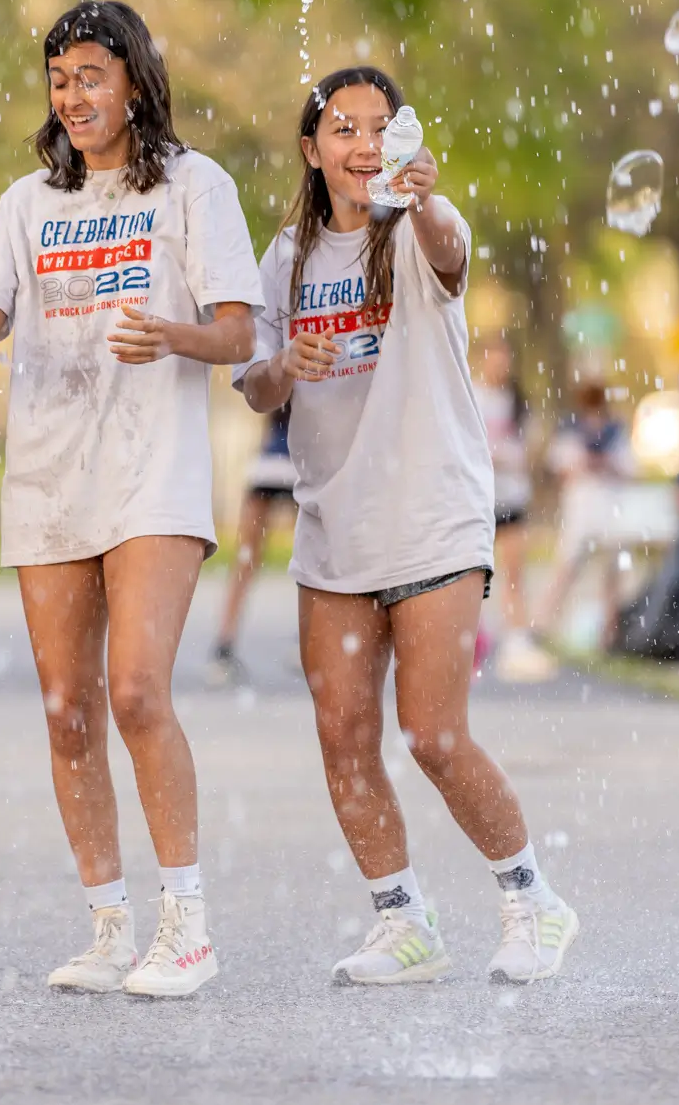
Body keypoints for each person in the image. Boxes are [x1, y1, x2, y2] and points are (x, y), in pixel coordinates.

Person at [0, 0, 262, 999]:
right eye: (58, 78)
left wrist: (171, 333)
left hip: (151, 471)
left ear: (134, 82)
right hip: (47, 471)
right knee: (67, 708)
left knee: (133, 694)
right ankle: (109, 925)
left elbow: (240, 331)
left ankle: (184, 928)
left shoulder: (193, 186)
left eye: (90, 75)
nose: (72, 96)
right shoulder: (26, 202)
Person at [235, 65, 578, 988]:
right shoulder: (286, 260)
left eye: (378, 128)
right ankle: (404, 922)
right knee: (343, 737)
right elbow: (255, 382)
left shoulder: (424, 229)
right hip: (333, 527)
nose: (361, 145)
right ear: (312, 150)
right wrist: (288, 369)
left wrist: (421, 193)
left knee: (432, 734)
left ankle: (532, 901)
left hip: (432, 515)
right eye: (342, 129)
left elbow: (452, 251)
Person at [475, 336, 553, 681]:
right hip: (479, 498)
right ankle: (474, 635)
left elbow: (534, 451)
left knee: (513, 572)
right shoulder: (472, 396)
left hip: (512, 497)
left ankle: (516, 639)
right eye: (494, 356)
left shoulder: (520, 403)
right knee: (474, 574)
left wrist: (513, 458)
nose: (499, 364)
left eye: (504, 357)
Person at [535, 379, 635, 648]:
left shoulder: (615, 431)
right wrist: (589, 463)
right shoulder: (571, 429)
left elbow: (628, 469)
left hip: (610, 509)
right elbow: (561, 468)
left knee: (611, 574)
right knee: (566, 568)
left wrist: (602, 463)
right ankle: (543, 625)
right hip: (581, 508)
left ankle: (609, 634)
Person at [209, 403, 296, 688]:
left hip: (275, 453)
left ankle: (224, 644)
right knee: (315, 553)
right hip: (296, 452)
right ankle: (308, 640)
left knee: (246, 557)